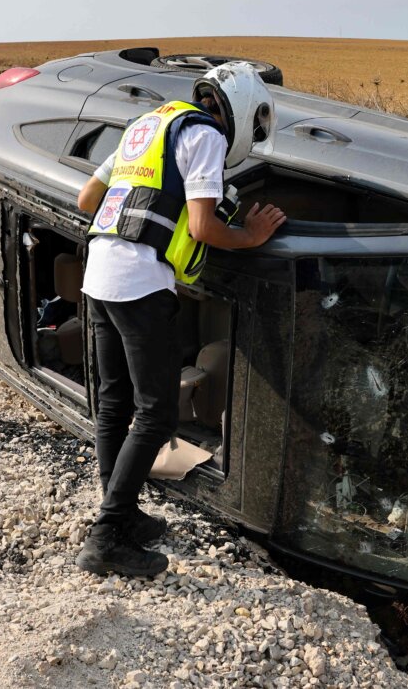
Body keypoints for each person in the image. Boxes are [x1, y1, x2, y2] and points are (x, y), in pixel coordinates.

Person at [73, 62, 285, 576]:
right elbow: (204, 226)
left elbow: (86, 200)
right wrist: (253, 237)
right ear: (237, 109)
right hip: (139, 285)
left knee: (114, 402)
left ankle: (118, 513)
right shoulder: (206, 135)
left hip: (98, 273)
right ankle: (105, 540)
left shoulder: (147, 126)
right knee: (155, 414)